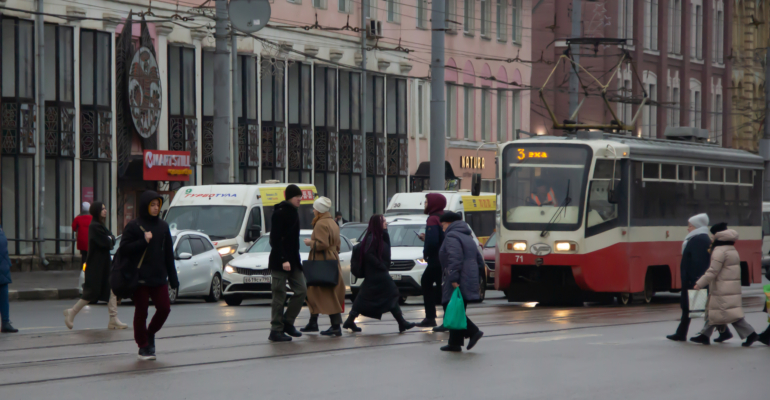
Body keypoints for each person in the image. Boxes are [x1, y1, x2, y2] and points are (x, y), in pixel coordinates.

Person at [120, 191, 179, 360]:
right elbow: (124, 249)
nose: (155, 208)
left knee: (164, 308)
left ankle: (150, 332)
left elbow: (168, 254)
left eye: (157, 205)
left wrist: (173, 279)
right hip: (140, 278)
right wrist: (142, 241)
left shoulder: (163, 226)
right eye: (152, 205)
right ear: (145, 206)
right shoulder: (134, 225)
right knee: (142, 311)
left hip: (159, 277)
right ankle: (143, 345)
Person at [343, 215, 417, 333]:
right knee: (392, 293)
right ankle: (402, 322)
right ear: (378, 223)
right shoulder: (373, 238)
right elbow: (368, 254)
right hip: (377, 273)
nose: (386, 223)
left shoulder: (379, 236)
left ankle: (350, 320)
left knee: (364, 297)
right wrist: (380, 265)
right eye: (384, 221)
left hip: (376, 274)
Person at [689, 223, 759, 347]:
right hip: (729, 286)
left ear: (718, 235)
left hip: (722, 288)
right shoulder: (731, 248)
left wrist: (699, 284)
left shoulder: (719, 251)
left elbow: (713, 271)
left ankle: (751, 334)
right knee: (716, 312)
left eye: (713, 235)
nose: (711, 238)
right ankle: (704, 335)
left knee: (730, 315)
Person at [63, 202, 127, 331]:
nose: (105, 210)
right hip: (96, 266)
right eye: (102, 209)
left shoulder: (101, 225)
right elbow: (107, 242)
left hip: (103, 264)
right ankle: (72, 313)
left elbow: (112, 238)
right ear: (96, 211)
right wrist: (109, 239)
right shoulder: (94, 226)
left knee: (111, 290)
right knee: (91, 293)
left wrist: (110, 239)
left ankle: (113, 319)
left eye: (105, 208)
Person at [438, 212, 484, 352]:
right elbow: (479, 259)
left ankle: (473, 331)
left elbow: (454, 258)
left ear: (450, 223)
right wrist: (479, 277)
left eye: (443, 225)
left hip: (459, 277)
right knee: (458, 307)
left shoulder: (452, 236)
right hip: (468, 276)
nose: (442, 228)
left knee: (449, 306)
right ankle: (454, 343)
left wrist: (453, 278)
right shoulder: (467, 236)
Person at [267, 184, 307, 342]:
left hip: (294, 262)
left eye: (300, 196)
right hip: (280, 262)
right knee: (279, 295)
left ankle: (288, 322)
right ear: (290, 197)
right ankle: (276, 330)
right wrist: (284, 259)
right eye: (298, 196)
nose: (300, 199)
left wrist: (295, 261)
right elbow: (275, 240)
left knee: (302, 291)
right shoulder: (280, 213)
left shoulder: (295, 213)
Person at [301, 196, 346, 336]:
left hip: (321, 260)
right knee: (319, 291)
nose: (313, 211)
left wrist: (310, 243)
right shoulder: (333, 222)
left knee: (321, 292)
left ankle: (334, 325)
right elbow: (337, 245)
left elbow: (322, 244)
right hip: (332, 259)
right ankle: (313, 322)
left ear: (319, 210)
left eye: (314, 208)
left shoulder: (320, 224)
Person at [666, 214, 712, 341]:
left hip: (694, 280)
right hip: (693, 279)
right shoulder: (698, 238)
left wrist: (695, 280)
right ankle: (682, 333)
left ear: (696, 226)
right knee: (691, 308)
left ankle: (682, 333)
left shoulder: (699, 240)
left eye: (690, 226)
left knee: (695, 308)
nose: (688, 228)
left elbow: (698, 262)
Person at [416, 193, 447, 331]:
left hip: (436, 260)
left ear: (433, 204)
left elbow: (433, 241)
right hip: (445, 258)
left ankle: (431, 318)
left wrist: (426, 254)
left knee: (427, 283)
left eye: (427, 202)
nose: (425, 204)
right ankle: (441, 318)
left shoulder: (432, 219)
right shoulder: (443, 217)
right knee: (441, 287)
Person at [0, 225, 17, 333]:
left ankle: (6, 322)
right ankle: (5, 322)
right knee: (3, 297)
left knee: (3, 296)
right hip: (3, 268)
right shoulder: (1, 231)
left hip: (3, 268)